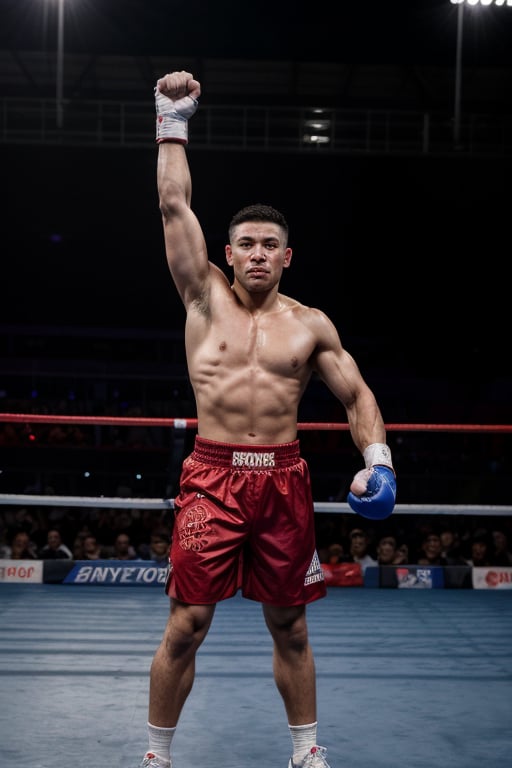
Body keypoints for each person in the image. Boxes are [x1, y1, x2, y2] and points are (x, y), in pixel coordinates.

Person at [137, 70, 397, 768]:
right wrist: (172, 120)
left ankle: (306, 751)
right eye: (244, 243)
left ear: (286, 256)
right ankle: (157, 756)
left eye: (267, 245)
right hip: (213, 477)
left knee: (291, 625)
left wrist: (379, 461)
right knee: (187, 623)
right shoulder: (202, 299)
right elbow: (171, 204)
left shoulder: (311, 326)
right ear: (227, 253)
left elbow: (358, 397)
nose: (255, 253)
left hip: (283, 482)